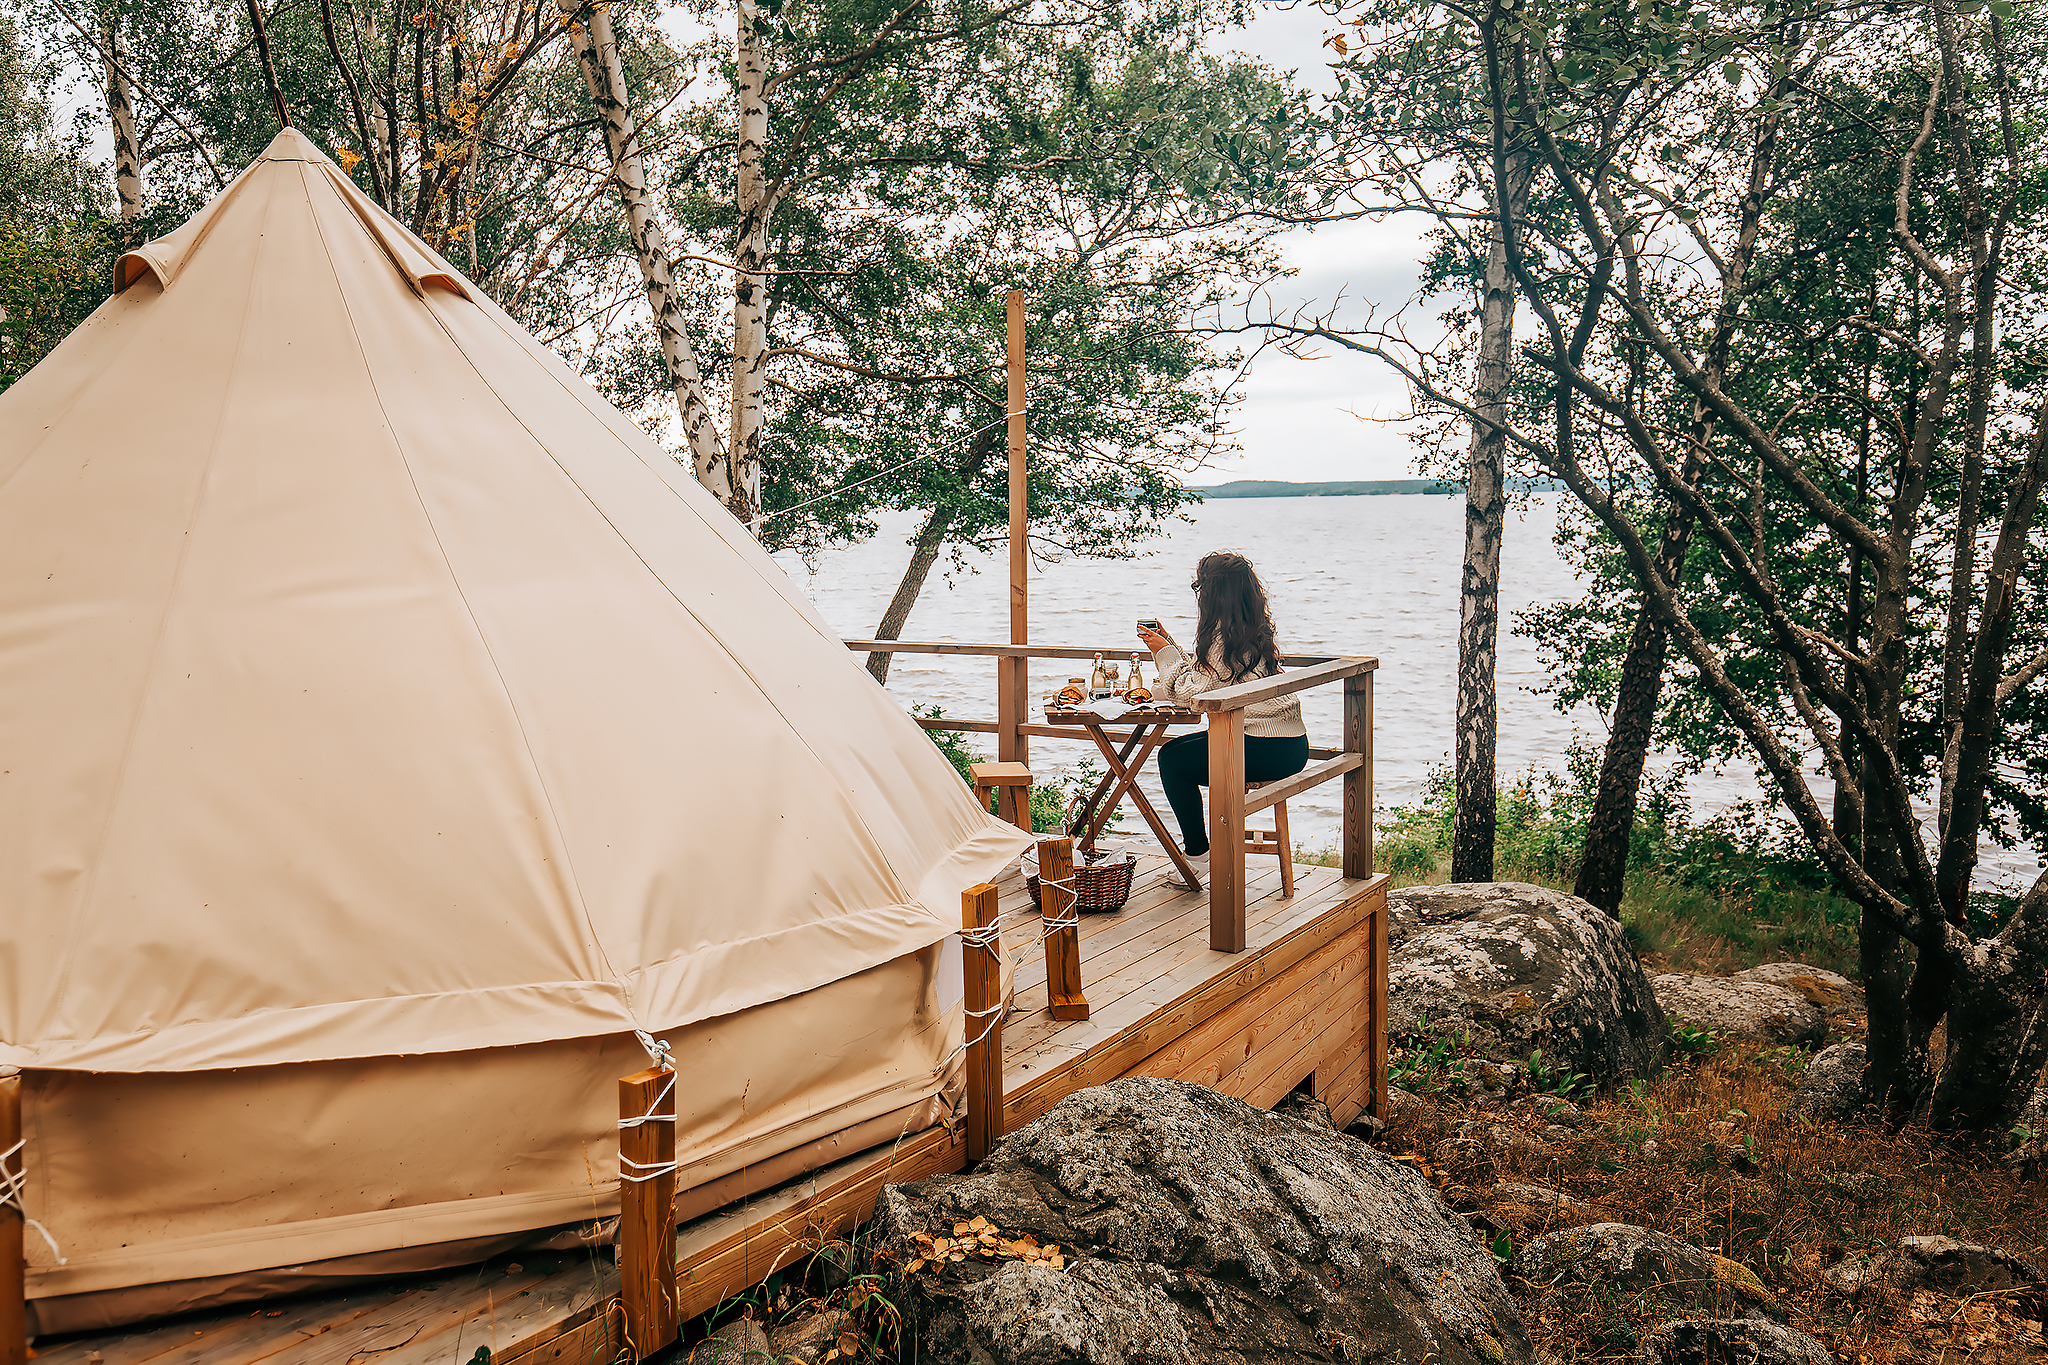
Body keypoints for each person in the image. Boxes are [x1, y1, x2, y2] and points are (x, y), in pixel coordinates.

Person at [1137, 551, 1308, 875]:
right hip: (1291, 744)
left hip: (1260, 746)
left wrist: (1162, 653)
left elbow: (1188, 692)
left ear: (1213, 594)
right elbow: (1209, 675)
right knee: (1175, 751)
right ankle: (1201, 853)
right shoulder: (1252, 630)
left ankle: (1199, 857)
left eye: (1200, 588)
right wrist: (1169, 643)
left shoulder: (1221, 638)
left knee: (1171, 761)